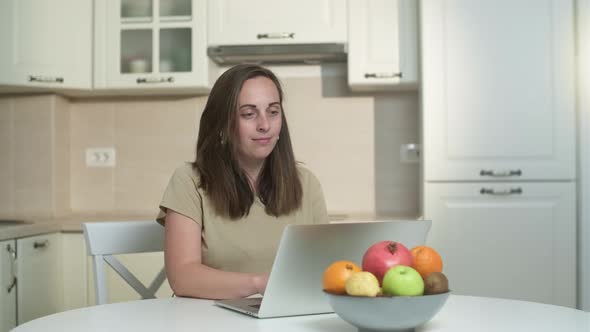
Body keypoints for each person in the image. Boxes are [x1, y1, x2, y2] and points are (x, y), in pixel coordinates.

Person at [156, 64, 329, 300]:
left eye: (273, 111)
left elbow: (324, 268)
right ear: (222, 124)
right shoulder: (190, 181)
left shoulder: (306, 183)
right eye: (249, 114)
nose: (264, 125)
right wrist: (260, 284)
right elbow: (183, 277)